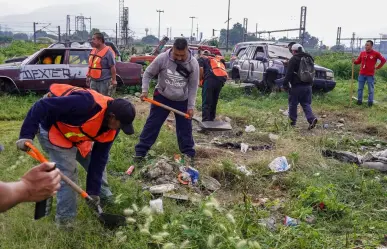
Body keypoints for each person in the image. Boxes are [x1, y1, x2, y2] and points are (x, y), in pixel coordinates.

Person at [16, 83, 136, 227]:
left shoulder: (113, 127)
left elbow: (99, 159)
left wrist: (92, 191)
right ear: (112, 117)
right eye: (120, 125)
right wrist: (26, 134)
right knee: (68, 173)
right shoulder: (85, 103)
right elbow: (42, 105)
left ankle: (101, 197)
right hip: (54, 130)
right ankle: (66, 222)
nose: (119, 129)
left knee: (93, 161)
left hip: (77, 135)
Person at [135, 38, 199, 166]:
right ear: (172, 49)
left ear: (187, 50)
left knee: (185, 128)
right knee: (152, 124)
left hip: (182, 100)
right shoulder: (162, 58)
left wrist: (191, 106)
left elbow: (193, 86)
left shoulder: (193, 64)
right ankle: (140, 153)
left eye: (182, 55)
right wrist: (144, 90)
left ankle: (188, 155)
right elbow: (147, 74)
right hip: (162, 96)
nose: (179, 58)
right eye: (176, 55)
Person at [283, 44, 318, 130]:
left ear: (294, 51)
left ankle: (292, 123)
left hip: (297, 86)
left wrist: (285, 84)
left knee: (293, 104)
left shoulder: (294, 59)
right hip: (308, 86)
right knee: (306, 104)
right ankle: (311, 119)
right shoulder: (309, 58)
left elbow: (289, 74)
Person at [353, 40, 386, 107]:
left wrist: (377, 67)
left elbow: (383, 60)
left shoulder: (376, 53)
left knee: (370, 89)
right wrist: (354, 61)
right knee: (360, 88)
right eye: (365, 45)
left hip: (370, 75)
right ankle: (359, 101)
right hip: (362, 74)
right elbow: (358, 61)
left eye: (367, 45)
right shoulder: (362, 53)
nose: (366, 46)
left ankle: (370, 102)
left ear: (371, 46)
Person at [198, 50, 228, 122]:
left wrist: (199, 80)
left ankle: (206, 121)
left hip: (210, 80)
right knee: (214, 100)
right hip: (221, 80)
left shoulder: (201, 59)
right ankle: (212, 118)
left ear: (202, 54)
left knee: (206, 100)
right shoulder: (217, 59)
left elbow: (201, 69)